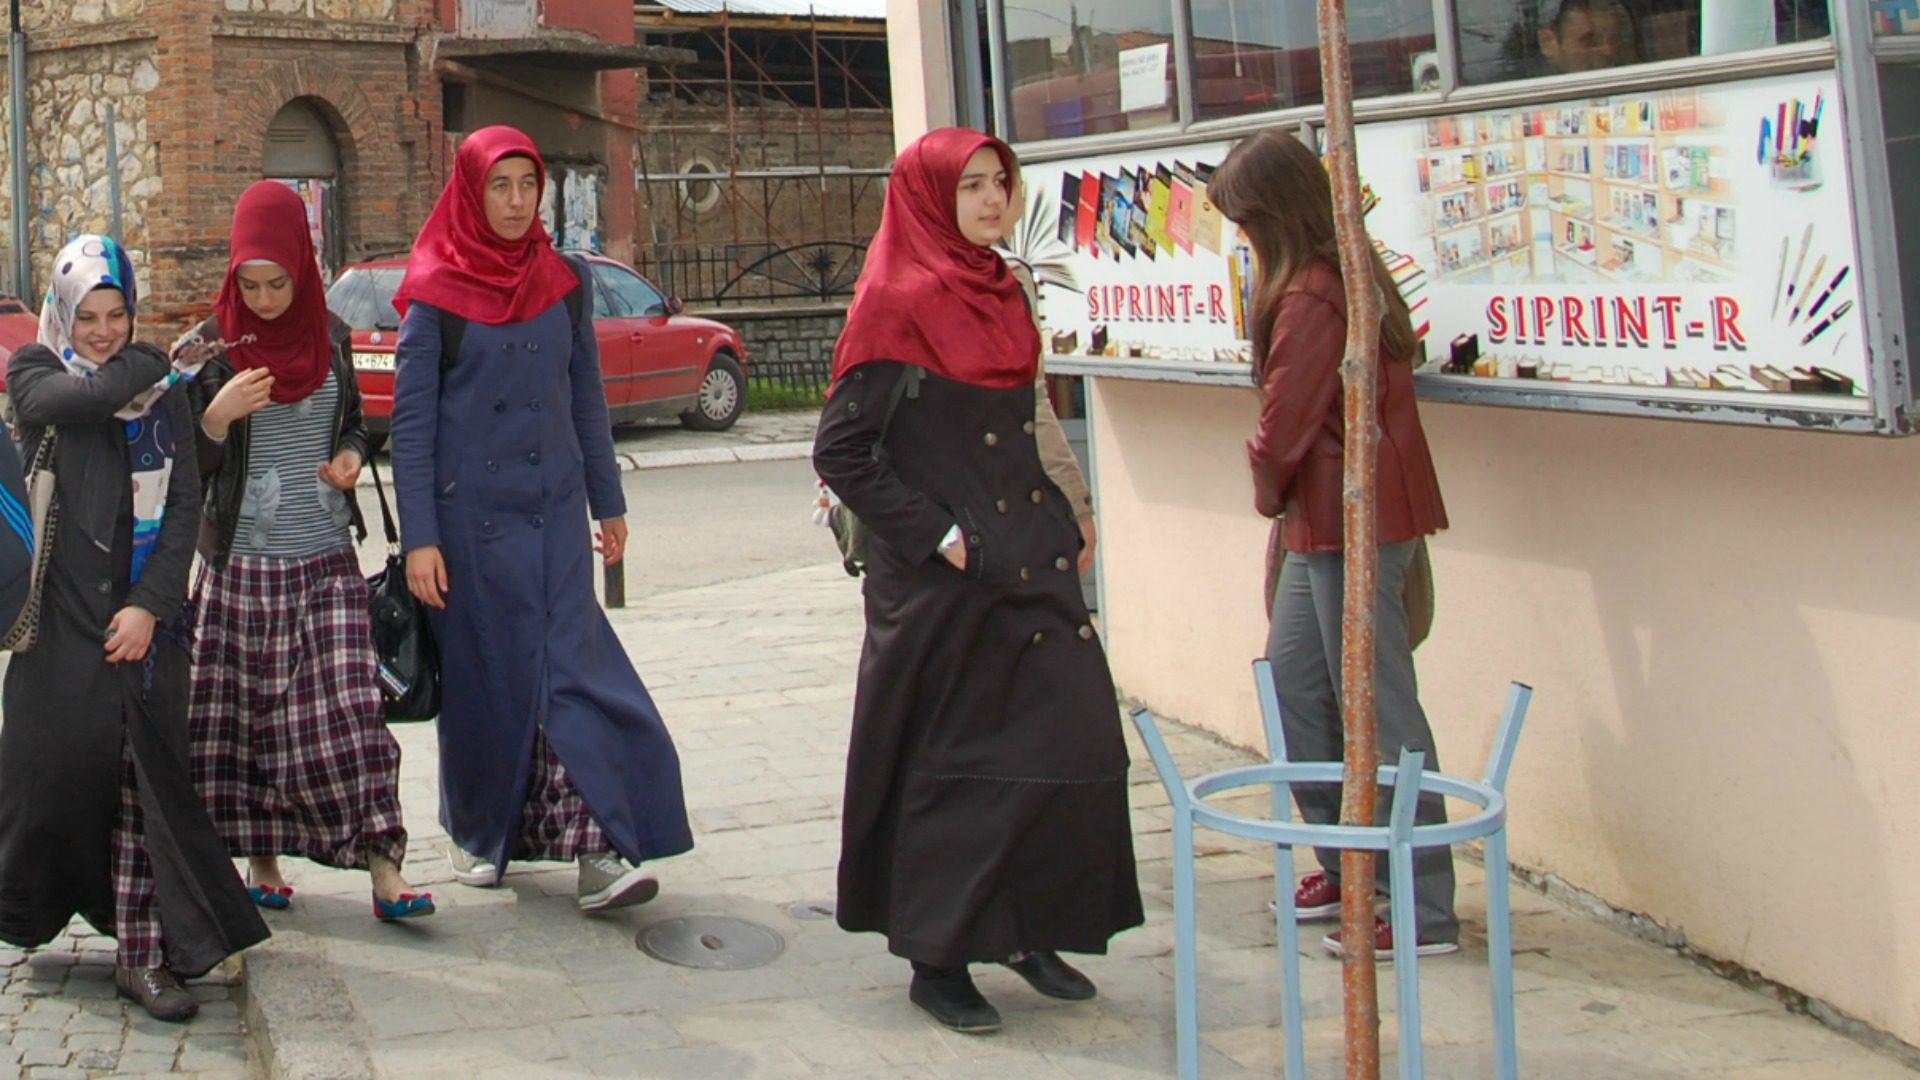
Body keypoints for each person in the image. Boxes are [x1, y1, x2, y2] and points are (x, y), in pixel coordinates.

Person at [813, 127, 1142, 1035]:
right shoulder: (894, 300)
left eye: (1003, 182)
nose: (995, 200)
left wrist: (1072, 503)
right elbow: (841, 453)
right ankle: (941, 954)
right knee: (956, 764)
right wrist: (943, 538)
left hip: (1025, 550)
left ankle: (1029, 923)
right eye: (973, 187)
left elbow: (1032, 409)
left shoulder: (1006, 287)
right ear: (930, 198)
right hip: (942, 577)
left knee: (1067, 736)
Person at [389, 125, 692, 911]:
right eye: (502, 186)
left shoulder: (564, 281)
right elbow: (412, 431)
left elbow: (584, 399)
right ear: (471, 192)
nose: (519, 202)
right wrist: (419, 538)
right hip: (471, 528)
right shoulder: (435, 296)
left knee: (570, 677)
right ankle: (479, 829)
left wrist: (608, 501)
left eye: (530, 185)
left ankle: (602, 850)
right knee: (490, 684)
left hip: (554, 515)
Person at [0, 235, 269, 1021]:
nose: (105, 330)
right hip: (57, 626)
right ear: (62, 311)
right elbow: (75, 404)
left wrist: (151, 605)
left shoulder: (166, 403)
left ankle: (144, 955)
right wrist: (153, 368)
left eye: (119, 315)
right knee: (53, 781)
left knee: (139, 790)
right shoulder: (34, 374)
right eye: (89, 314)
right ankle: (33, 903)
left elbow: (184, 505)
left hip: (144, 623)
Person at [1206, 130, 1455, 960]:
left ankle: (1420, 905)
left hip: (1351, 520)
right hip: (1336, 519)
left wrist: (1265, 487)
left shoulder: (1313, 292)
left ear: (1271, 218)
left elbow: (1285, 425)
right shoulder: (1341, 274)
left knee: (1377, 710)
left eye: (1244, 225)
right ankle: (1355, 869)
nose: (1240, 242)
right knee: (1297, 686)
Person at [182, 181, 431, 921]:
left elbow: (354, 422)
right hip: (240, 570)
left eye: (277, 281)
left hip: (324, 562)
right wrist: (217, 420)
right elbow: (182, 468)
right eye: (248, 283)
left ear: (303, 263)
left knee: (349, 716)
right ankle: (261, 863)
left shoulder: (330, 334)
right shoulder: (210, 350)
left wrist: (352, 458)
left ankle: (386, 871)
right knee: (242, 726)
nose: (261, 298)